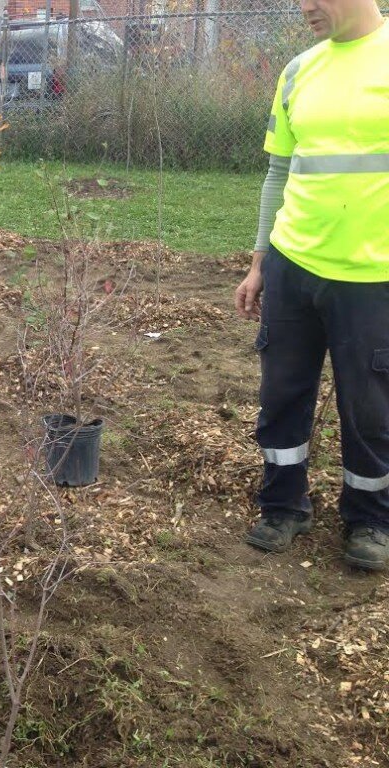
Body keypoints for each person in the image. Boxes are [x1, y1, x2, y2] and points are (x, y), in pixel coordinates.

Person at [235, 0, 389, 570]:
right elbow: (279, 171)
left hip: (372, 277)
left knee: (371, 407)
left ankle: (371, 520)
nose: (304, 7)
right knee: (281, 395)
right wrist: (259, 263)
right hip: (292, 264)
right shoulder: (299, 69)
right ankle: (282, 504)